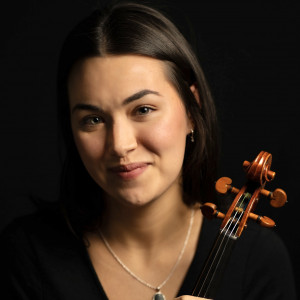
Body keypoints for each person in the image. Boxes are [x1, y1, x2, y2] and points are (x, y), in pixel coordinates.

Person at [0, 1, 296, 299]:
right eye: (93, 119)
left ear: (193, 110)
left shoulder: (259, 261)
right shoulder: (24, 257)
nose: (120, 144)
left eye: (143, 109)